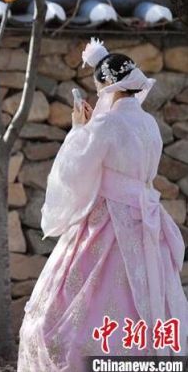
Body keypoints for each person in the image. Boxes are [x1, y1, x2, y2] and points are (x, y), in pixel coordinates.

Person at [17, 38, 188, 371]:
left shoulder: (106, 124)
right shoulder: (149, 124)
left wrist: (79, 129)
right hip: (145, 222)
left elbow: (73, 170)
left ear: (107, 88)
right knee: (148, 304)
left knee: (56, 321)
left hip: (108, 219)